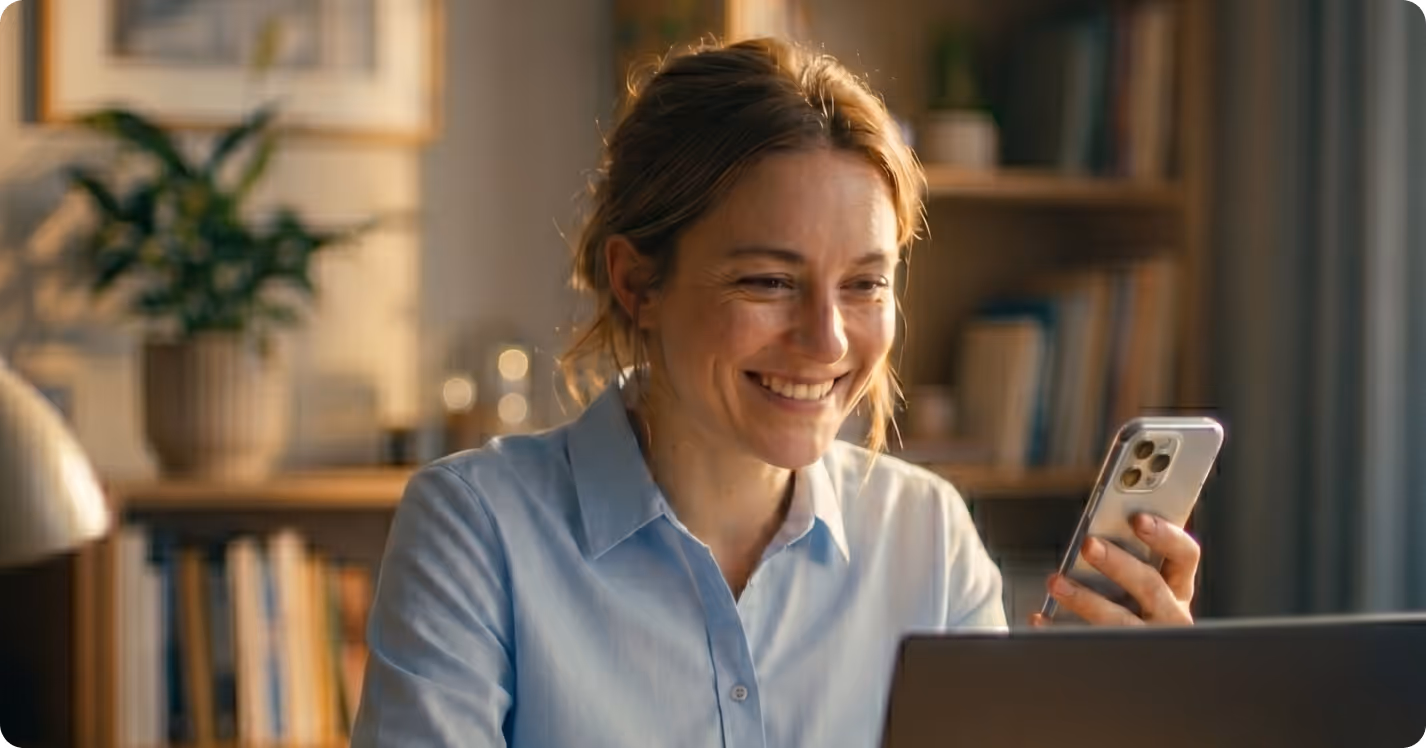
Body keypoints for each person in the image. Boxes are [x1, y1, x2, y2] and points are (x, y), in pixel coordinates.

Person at [350, 36, 1201, 748]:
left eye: (866, 285)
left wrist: (1130, 719)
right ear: (637, 282)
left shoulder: (926, 537)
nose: (828, 340)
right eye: (767, 281)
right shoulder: (476, 530)